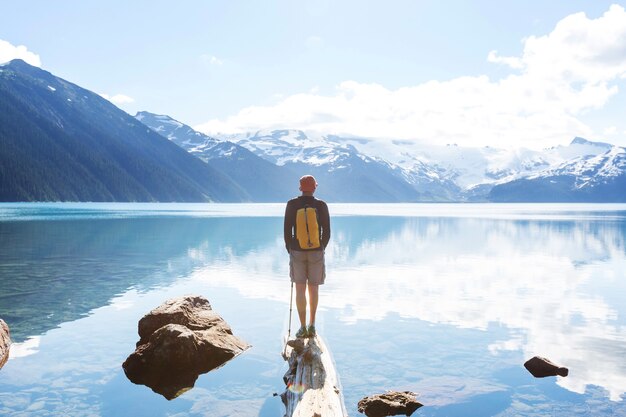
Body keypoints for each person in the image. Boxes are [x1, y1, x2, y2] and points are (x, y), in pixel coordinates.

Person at [284, 175, 330, 338]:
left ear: (300, 188)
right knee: (314, 289)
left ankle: (302, 327)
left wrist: (292, 249)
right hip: (316, 251)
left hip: (297, 251)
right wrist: (320, 247)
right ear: (315, 187)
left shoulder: (292, 204)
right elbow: (327, 231)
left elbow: (287, 231)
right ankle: (312, 326)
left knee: (300, 289)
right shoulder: (321, 205)